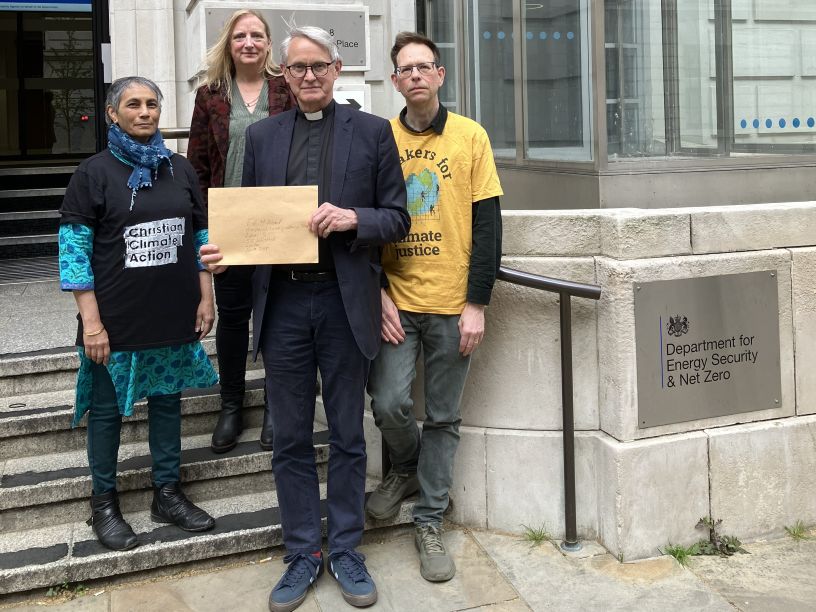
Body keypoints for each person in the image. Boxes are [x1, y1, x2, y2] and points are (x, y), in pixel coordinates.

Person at [201, 25, 409, 612]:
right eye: (297, 68)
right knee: (290, 436)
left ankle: (345, 548)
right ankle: (301, 552)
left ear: (337, 69)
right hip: (284, 304)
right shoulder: (262, 137)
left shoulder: (373, 132)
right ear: (284, 75)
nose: (309, 76)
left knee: (347, 433)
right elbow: (248, 221)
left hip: (344, 302)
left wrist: (353, 219)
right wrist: (226, 254)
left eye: (318, 66)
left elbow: (398, 218)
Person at [58, 76, 219, 552]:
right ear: (113, 113)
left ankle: (167, 494)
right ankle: (103, 504)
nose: (145, 112)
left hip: (172, 313)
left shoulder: (179, 168)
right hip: (115, 320)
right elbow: (73, 253)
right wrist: (92, 324)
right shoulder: (93, 174)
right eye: (133, 104)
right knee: (107, 413)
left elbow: (200, 236)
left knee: (168, 403)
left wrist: (206, 297)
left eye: (152, 103)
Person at [365, 32, 503, 582]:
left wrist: (477, 303)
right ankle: (405, 466)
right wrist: (377, 291)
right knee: (389, 402)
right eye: (406, 69)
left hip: (452, 304)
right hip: (397, 301)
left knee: (444, 416)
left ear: (440, 75)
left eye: (425, 67)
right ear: (395, 81)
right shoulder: (379, 138)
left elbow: (489, 226)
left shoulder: (470, 136)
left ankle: (429, 519)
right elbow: (367, 221)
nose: (416, 75)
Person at [187, 9, 296, 454]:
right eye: (239, 36)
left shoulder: (288, 88)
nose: (248, 42)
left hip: (278, 223)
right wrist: (204, 229)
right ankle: (230, 405)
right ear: (229, 45)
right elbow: (197, 167)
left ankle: (275, 408)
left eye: (256, 35)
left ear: (268, 43)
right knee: (232, 319)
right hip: (228, 223)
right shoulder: (210, 95)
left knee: (276, 318)